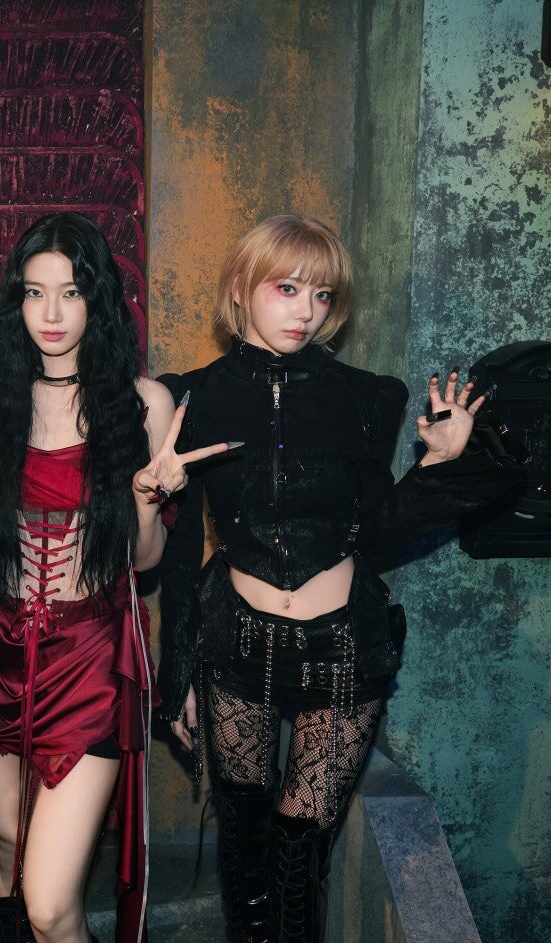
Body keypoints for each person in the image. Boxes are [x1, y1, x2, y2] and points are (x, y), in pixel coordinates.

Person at [156, 216, 523, 943]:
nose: (306, 311)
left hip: (343, 650)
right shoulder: (191, 400)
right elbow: (179, 552)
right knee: (246, 849)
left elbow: (378, 533)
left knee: (300, 856)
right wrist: (178, 672)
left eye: (321, 295)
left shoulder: (367, 396)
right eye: (287, 288)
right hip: (237, 647)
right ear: (241, 288)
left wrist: (438, 466)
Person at [0, 213, 223, 943]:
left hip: (88, 662)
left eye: (71, 292)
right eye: (35, 292)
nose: (51, 312)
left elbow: (144, 563)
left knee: (50, 903)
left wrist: (145, 496)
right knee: (8, 855)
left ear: (97, 300)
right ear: (15, 302)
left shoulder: (144, 404)